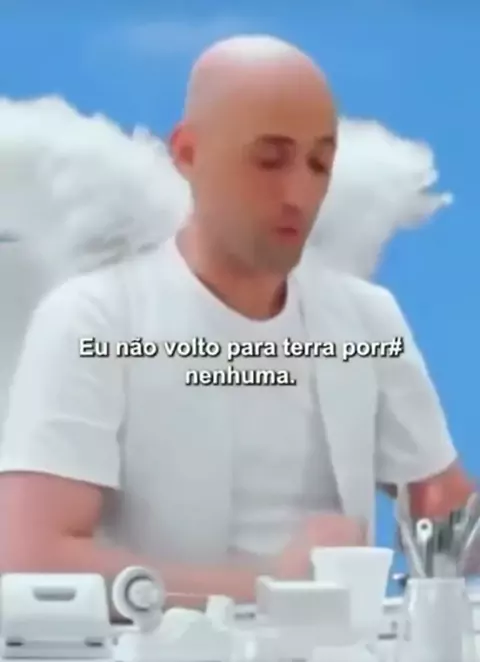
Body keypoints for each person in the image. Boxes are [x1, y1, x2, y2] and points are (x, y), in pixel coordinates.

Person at [0, 35, 474, 606]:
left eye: (320, 164)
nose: (299, 193)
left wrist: (451, 537)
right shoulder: (92, 319)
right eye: (269, 160)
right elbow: (31, 557)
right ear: (187, 154)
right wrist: (275, 591)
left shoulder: (366, 319)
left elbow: (445, 515)